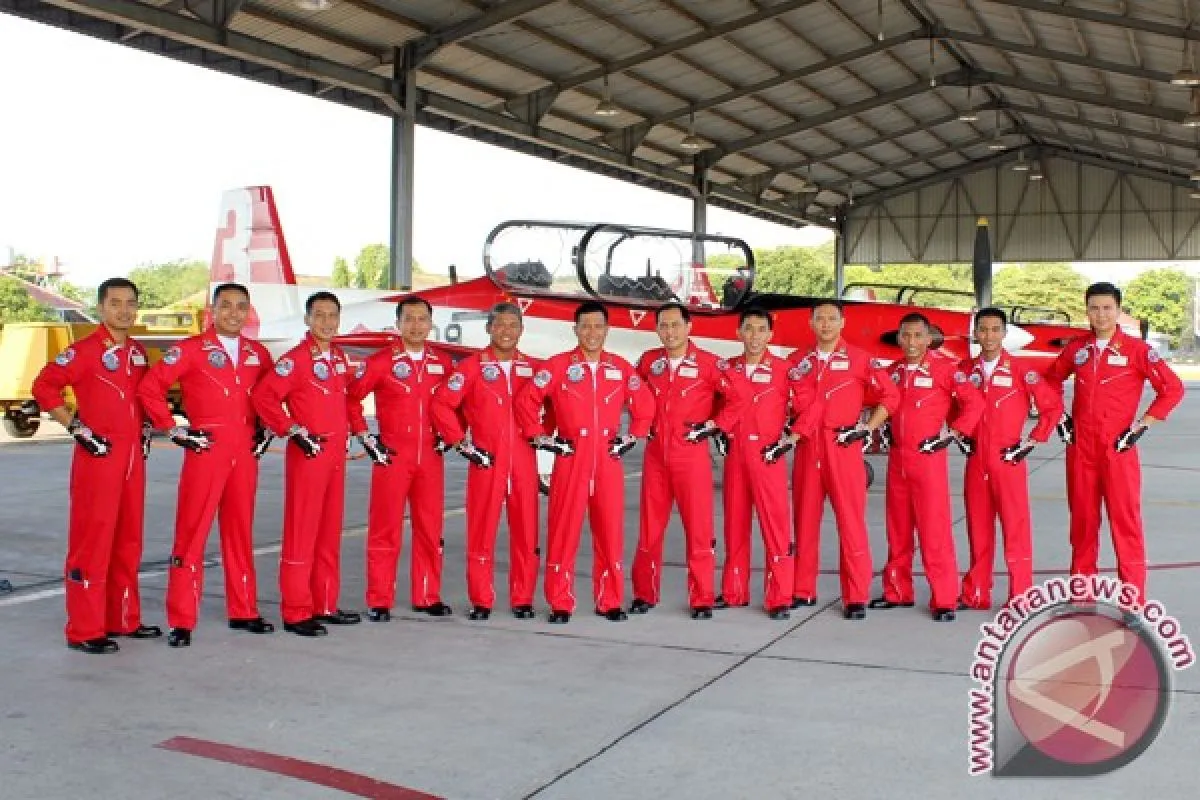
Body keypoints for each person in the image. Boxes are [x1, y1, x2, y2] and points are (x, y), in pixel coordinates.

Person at [137, 282, 276, 647]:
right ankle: (182, 619)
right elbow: (150, 388)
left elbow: (272, 396)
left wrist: (268, 429)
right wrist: (172, 428)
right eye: (226, 305)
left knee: (240, 532)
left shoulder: (258, 354)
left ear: (249, 312)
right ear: (212, 311)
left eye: (241, 306)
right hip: (206, 451)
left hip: (244, 453)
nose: (233, 313)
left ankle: (244, 610)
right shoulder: (190, 349)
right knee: (192, 533)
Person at [32, 277, 160, 654]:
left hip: (133, 458)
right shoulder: (84, 351)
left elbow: (144, 398)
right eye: (115, 303)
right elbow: (44, 386)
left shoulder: (138, 353)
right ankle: (85, 629)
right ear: (101, 307)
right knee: (93, 541)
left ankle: (123, 618)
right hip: (99, 456)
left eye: (130, 303)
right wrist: (76, 427)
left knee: (128, 540)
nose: (124, 310)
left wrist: (148, 428)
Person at [514, 301, 654, 623]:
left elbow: (645, 405)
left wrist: (632, 436)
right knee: (563, 531)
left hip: (607, 459)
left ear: (607, 330)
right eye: (586, 326)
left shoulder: (620, 368)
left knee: (610, 533)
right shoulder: (557, 366)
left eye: (598, 326)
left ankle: (610, 600)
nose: (592, 332)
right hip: (571, 458)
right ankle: (560, 602)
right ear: (575, 330)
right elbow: (526, 401)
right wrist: (542, 438)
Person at [1046, 282, 1184, 603]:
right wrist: (1060, 417)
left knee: (1125, 524)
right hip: (1081, 449)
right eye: (1094, 308)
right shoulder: (1077, 349)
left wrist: (1140, 427)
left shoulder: (1137, 351)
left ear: (1119, 310)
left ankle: (1133, 601)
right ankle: (1082, 595)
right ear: (1087, 311)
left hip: (1118, 449)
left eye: (1107, 308)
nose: (1101, 314)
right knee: (1082, 525)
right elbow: (1050, 381)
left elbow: (1172, 389)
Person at [251, 291, 360, 636]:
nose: (327, 322)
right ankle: (296, 610)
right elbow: (264, 396)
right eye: (320, 315)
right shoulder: (295, 360)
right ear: (307, 320)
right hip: (309, 454)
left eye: (333, 316)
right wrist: (290, 429)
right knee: (302, 531)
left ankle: (324, 603)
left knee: (329, 531)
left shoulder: (338, 357)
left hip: (335, 456)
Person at [431, 302, 546, 621]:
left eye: (512, 325)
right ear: (488, 328)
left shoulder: (535, 369)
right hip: (486, 461)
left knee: (527, 533)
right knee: (481, 532)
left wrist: (542, 434)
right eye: (499, 325)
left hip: (523, 462)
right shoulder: (471, 368)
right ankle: (481, 599)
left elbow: (555, 402)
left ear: (521, 330)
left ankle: (523, 599)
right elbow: (442, 404)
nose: (506, 331)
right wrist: (460, 442)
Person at [630, 303, 744, 620]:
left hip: (691, 457)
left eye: (675, 325)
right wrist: (640, 425)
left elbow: (738, 398)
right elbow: (630, 391)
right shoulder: (649, 362)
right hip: (656, 456)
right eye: (663, 326)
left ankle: (702, 597)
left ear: (689, 326)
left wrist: (714, 425)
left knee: (698, 529)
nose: (670, 332)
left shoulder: (710, 364)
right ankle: (644, 593)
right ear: (657, 329)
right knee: (649, 529)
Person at [787, 300, 899, 621]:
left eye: (831, 319)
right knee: (804, 522)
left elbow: (891, 396)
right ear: (811, 323)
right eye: (819, 318)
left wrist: (867, 427)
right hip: (808, 447)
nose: (825, 324)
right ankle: (802, 590)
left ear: (842, 323)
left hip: (843, 447)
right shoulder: (797, 361)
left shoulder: (860, 360)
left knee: (851, 524)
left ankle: (855, 596)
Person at [870, 312, 983, 621]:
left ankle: (944, 598)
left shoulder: (946, 370)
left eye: (918, 335)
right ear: (898, 338)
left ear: (929, 338)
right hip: (898, 460)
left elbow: (974, 403)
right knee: (898, 529)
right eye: (906, 335)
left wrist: (953, 434)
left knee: (934, 531)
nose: (911, 342)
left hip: (929, 459)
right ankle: (897, 591)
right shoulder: (892, 372)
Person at [347, 296, 452, 621]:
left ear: (431, 323)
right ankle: (379, 599)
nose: (416, 325)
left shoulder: (442, 363)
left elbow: (459, 401)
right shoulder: (381, 362)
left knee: (430, 529)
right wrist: (366, 437)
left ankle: (427, 595)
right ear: (398, 324)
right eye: (409, 319)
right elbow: (351, 398)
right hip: (392, 457)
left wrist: (452, 434)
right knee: (385, 528)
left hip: (431, 458)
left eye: (422, 319)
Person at [955, 308, 1063, 611]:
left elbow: (1052, 406)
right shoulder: (964, 370)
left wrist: (1031, 442)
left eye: (995, 329)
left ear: (1004, 333)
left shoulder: (1021, 370)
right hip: (976, 459)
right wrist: (959, 434)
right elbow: (951, 405)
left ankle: (1021, 597)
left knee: (1015, 529)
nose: (988, 336)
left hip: (1008, 459)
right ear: (975, 333)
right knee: (977, 528)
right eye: (983, 329)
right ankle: (976, 593)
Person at [715, 307, 795, 619]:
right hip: (736, 456)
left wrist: (791, 438)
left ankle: (780, 597)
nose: (754, 336)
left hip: (767, 456)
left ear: (770, 334)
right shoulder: (726, 369)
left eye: (761, 329)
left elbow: (809, 404)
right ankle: (734, 592)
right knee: (734, 525)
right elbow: (712, 403)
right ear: (738, 333)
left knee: (775, 529)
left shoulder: (784, 370)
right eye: (748, 329)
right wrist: (718, 430)